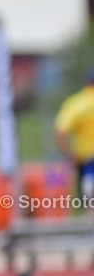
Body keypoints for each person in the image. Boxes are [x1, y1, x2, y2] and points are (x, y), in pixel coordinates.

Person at [55, 69, 94, 201]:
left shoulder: (77, 103)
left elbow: (61, 131)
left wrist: (69, 154)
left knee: (90, 200)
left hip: (88, 161)